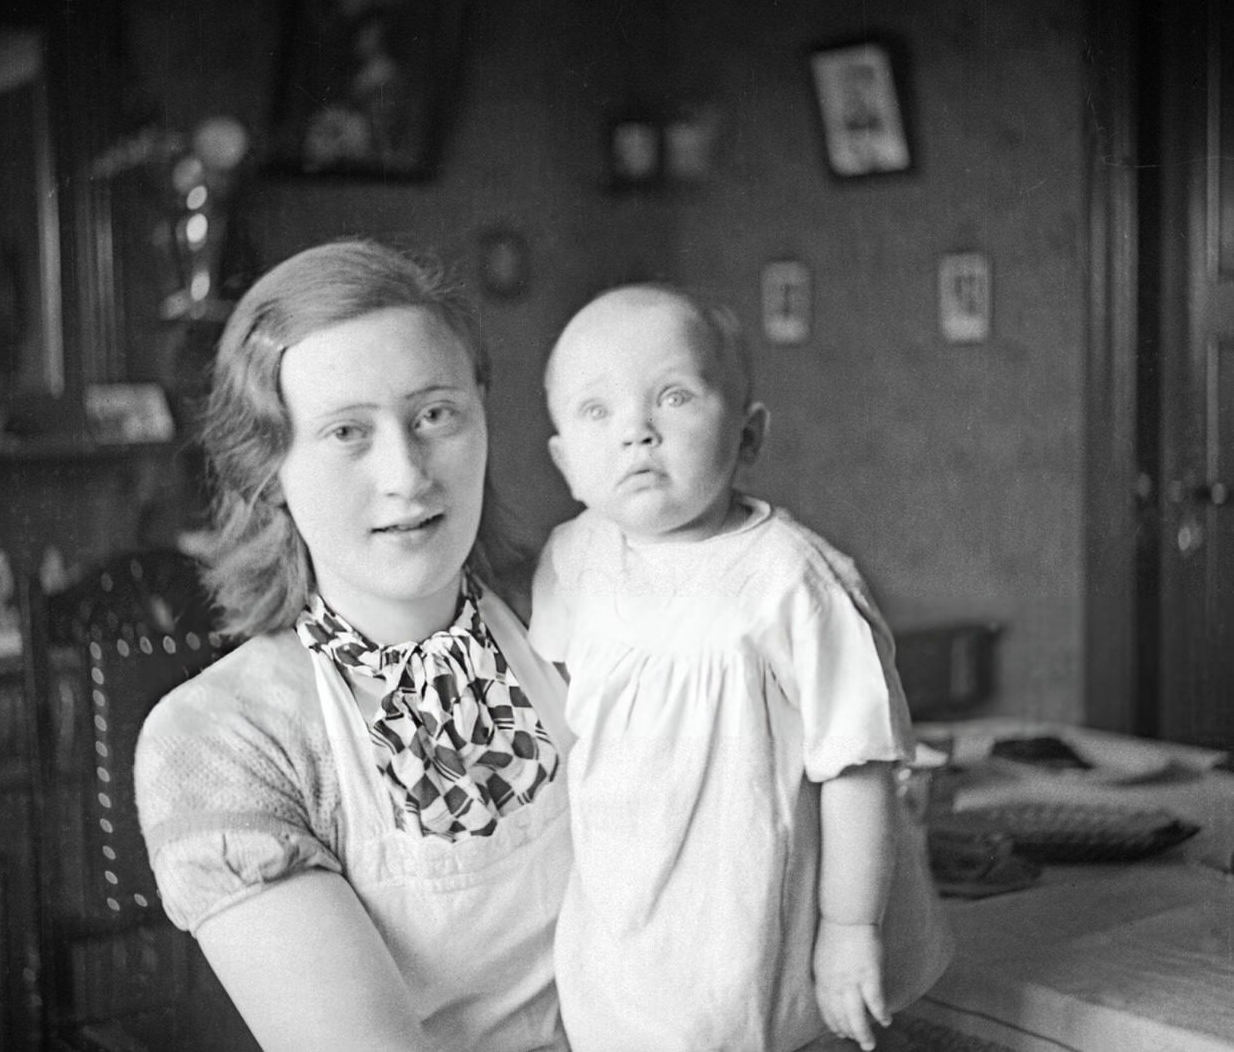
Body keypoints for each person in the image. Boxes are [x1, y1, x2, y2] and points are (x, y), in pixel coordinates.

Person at [134, 237, 574, 1051]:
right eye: (346, 433)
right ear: (268, 473)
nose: (407, 474)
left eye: (435, 414)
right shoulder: (223, 736)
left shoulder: (581, 621)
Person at [529, 283, 952, 1052]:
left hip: (755, 897)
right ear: (565, 460)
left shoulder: (794, 581)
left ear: (749, 435)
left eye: (675, 397)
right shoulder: (573, 560)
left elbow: (855, 767)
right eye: (598, 411)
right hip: (629, 904)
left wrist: (848, 928)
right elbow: (563, 713)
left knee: (755, 1020)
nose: (637, 432)